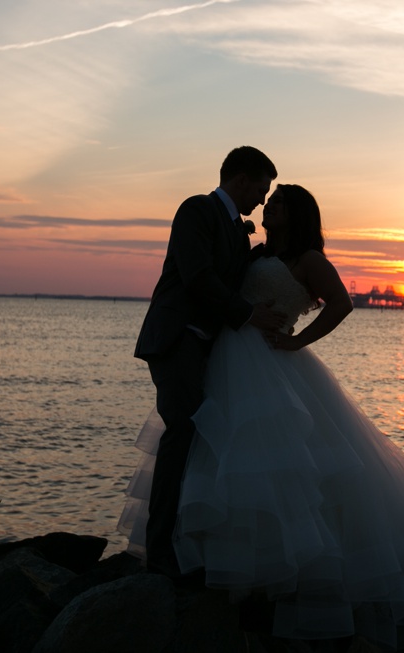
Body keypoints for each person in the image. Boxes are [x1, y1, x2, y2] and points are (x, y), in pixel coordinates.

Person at [121, 184, 404, 649]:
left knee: (279, 466)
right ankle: (212, 563)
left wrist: (299, 341)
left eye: (278, 202)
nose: (268, 206)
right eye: (269, 198)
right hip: (225, 360)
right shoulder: (254, 252)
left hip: (271, 363)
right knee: (216, 453)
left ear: (296, 214)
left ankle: (282, 576)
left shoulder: (308, 259)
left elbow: (342, 303)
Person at [127, 146, 284, 577]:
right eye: (260, 189)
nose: (262, 200)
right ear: (240, 180)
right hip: (175, 339)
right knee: (181, 433)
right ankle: (158, 552)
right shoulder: (196, 210)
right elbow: (198, 278)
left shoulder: (237, 230)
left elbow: (235, 275)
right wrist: (249, 315)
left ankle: (187, 540)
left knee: (201, 439)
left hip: (205, 347)